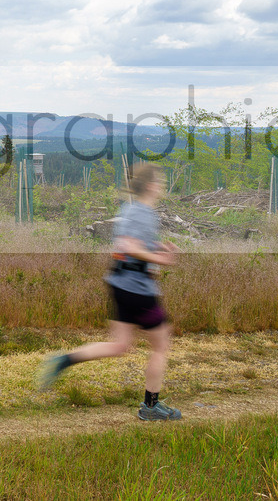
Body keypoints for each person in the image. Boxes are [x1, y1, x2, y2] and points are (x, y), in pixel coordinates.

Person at [37, 162, 181, 421]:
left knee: (120, 345)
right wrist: (160, 259)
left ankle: (64, 360)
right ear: (150, 185)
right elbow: (129, 245)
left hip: (120, 283)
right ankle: (151, 407)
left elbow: (132, 240)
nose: (162, 186)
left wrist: (158, 245)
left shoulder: (130, 208)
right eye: (159, 181)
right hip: (138, 288)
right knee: (160, 346)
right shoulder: (144, 213)